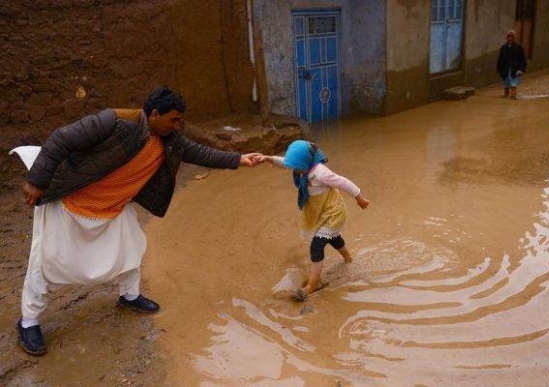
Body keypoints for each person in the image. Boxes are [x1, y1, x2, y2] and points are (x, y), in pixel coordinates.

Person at [15, 87, 261, 356]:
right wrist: (37, 180)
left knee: (132, 250)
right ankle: (29, 322)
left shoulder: (171, 139)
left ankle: (129, 296)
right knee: (45, 263)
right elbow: (61, 139)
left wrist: (239, 159)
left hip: (114, 210)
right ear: (154, 114)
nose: (178, 126)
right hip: (71, 203)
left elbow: (201, 153)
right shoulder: (115, 121)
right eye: (174, 120)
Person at [258, 140, 370, 301]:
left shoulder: (321, 173)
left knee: (317, 245)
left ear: (304, 162)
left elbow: (344, 182)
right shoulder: (300, 166)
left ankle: (312, 285)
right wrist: (268, 158)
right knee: (332, 237)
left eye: (296, 167)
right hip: (320, 212)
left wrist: (359, 198)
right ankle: (348, 258)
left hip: (333, 213)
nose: (293, 169)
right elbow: (285, 163)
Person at [496, 29, 526, 100]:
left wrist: (521, 70)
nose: (510, 38)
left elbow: (522, 60)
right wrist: (498, 70)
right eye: (508, 36)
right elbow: (500, 59)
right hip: (505, 70)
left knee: (513, 86)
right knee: (506, 87)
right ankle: (506, 100)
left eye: (512, 36)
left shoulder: (519, 48)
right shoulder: (504, 48)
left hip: (515, 71)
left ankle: (513, 100)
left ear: (514, 38)